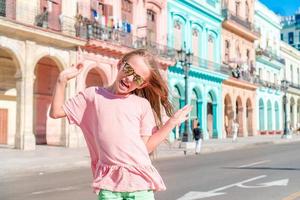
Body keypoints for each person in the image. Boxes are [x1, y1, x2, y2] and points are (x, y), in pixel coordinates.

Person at [50, 49, 192, 200]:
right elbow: (56, 112)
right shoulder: (92, 95)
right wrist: (62, 80)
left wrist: (171, 123)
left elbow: (145, 148)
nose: (130, 78)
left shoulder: (142, 105)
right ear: (120, 64)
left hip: (139, 184)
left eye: (137, 79)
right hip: (109, 184)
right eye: (129, 69)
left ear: (142, 84)